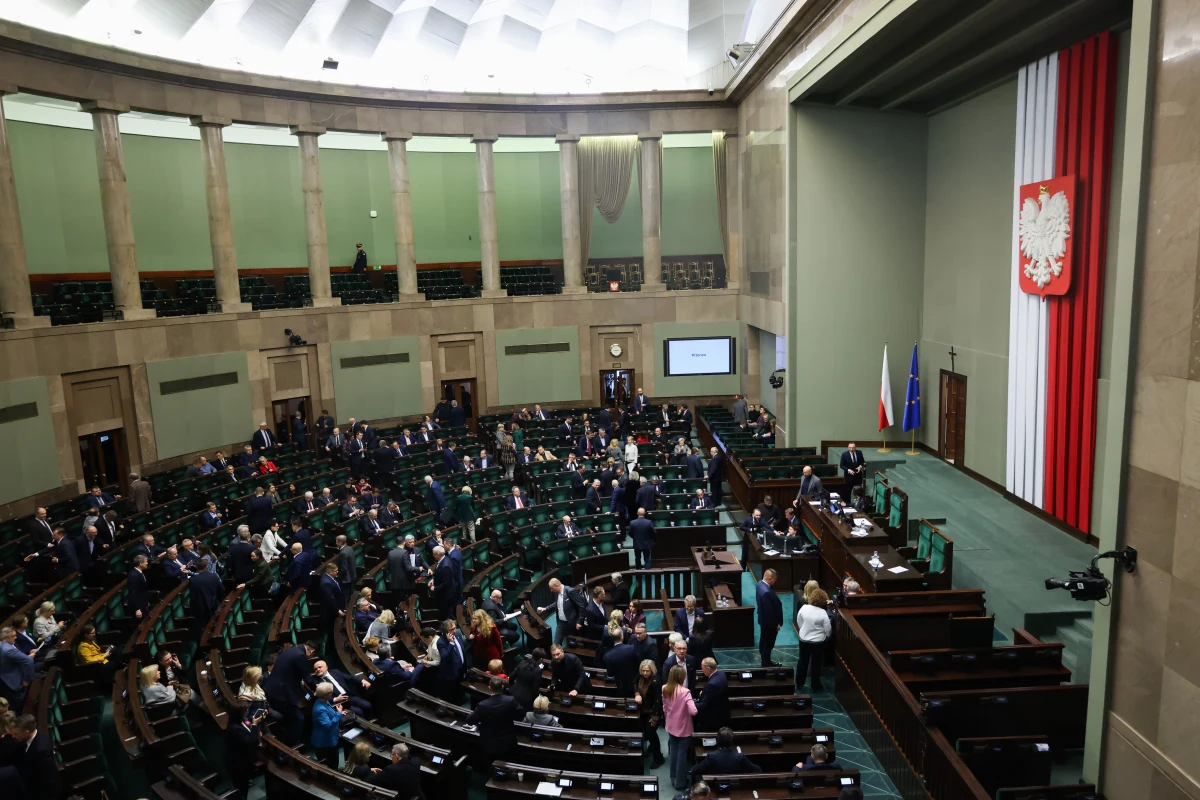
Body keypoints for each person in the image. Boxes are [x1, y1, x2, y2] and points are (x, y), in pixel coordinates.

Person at [268, 640, 316, 745]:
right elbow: (306, 677)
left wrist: (311, 693)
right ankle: (294, 745)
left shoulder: (292, 651)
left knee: (309, 697)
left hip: (291, 691)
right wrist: (315, 688)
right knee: (299, 718)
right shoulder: (300, 656)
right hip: (283, 694)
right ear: (311, 652)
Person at [2, 715, 60, 799]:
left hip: (38, 789)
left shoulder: (41, 750)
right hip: (28, 774)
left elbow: (46, 781)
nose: (13, 736)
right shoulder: (30, 737)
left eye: (16, 734)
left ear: (26, 732)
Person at [466, 676, 523, 761]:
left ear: (489, 688)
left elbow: (469, 720)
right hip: (507, 743)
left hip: (489, 743)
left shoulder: (482, 705)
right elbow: (521, 714)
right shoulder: (511, 700)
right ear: (502, 687)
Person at [663, 664, 698, 790]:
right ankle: (680, 782)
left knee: (673, 752)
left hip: (671, 725)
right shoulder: (685, 692)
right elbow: (693, 711)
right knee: (682, 754)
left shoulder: (665, 688)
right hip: (684, 727)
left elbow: (665, 707)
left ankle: (673, 778)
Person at [306, 660, 373, 717]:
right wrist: (335, 699)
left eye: (320, 667)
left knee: (367, 706)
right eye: (315, 669)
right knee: (359, 712)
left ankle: (371, 723)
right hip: (338, 703)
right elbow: (320, 699)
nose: (318, 670)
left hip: (349, 696)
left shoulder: (335, 672)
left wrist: (362, 680)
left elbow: (349, 677)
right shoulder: (316, 683)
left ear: (326, 667)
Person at [690, 726, 760, 781]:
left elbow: (695, 770)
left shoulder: (711, 757)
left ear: (718, 740)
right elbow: (757, 770)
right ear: (731, 741)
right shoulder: (739, 757)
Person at [796, 587, 832, 692]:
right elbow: (828, 629)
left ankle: (799, 682)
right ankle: (815, 684)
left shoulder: (804, 608)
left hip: (804, 640)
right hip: (818, 642)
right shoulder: (822, 613)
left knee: (802, 661)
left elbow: (799, 621)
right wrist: (826, 637)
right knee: (816, 663)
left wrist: (803, 631)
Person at [226, 708, 266, 798]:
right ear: (239, 714)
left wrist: (254, 728)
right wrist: (255, 725)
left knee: (243, 786)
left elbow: (248, 732)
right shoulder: (234, 728)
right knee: (241, 790)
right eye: (245, 711)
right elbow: (250, 741)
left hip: (243, 758)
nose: (247, 712)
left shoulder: (241, 721)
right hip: (237, 764)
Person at [538, 578, 586, 645]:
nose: (551, 591)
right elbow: (557, 603)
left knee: (572, 644)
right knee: (556, 644)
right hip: (561, 623)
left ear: (557, 585)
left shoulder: (570, 591)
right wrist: (546, 608)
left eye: (552, 588)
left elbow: (582, 605)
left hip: (571, 623)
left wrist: (580, 622)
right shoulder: (557, 592)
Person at [0, 627, 34, 711]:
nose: (16, 638)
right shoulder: (7, 648)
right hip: (6, 682)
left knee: (19, 705)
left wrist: (27, 680)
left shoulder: (7, 649)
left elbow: (28, 661)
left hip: (12, 682)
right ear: (4, 638)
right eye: (13, 636)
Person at [310, 683, 343, 768]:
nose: (332, 693)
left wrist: (338, 713)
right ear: (325, 695)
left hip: (330, 738)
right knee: (332, 766)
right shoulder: (320, 709)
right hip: (325, 742)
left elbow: (329, 713)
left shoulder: (324, 701)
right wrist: (338, 714)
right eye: (331, 692)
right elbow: (328, 725)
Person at [694, 657, 730, 732]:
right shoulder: (721, 673)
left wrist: (691, 704)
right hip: (723, 711)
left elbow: (704, 705)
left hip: (713, 717)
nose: (702, 670)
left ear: (708, 668)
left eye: (702, 668)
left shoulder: (711, 684)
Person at [435, 618, 467, 703]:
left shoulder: (458, 634)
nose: (454, 631)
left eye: (455, 628)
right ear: (445, 631)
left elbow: (462, 650)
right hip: (451, 672)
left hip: (461, 669)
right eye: (451, 629)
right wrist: (451, 643)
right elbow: (445, 657)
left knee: (460, 690)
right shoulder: (441, 642)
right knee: (452, 696)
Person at [756, 569, 783, 667]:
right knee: (768, 642)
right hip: (769, 623)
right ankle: (766, 662)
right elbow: (770, 611)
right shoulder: (767, 592)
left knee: (763, 639)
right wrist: (777, 624)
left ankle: (764, 657)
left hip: (763, 620)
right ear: (770, 578)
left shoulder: (759, 584)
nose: (775, 581)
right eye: (774, 579)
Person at [603, 628, 639, 695]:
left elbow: (610, 674)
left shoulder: (608, 656)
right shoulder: (632, 648)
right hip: (634, 681)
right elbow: (638, 662)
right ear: (622, 637)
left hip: (619, 684)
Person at [189, 559, 224, 627]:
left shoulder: (193, 580)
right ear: (207, 567)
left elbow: (193, 596)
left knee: (203, 626)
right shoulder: (214, 576)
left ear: (196, 567)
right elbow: (221, 589)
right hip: (214, 604)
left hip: (200, 607)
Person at [430, 545, 459, 620]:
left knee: (447, 614)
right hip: (445, 594)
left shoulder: (445, 565)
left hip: (446, 595)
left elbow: (446, 583)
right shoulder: (444, 559)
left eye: (434, 554)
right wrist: (433, 579)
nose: (433, 555)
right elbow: (439, 574)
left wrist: (435, 588)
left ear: (438, 554)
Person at [126, 555, 150, 619]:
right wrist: (137, 609)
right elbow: (133, 593)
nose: (147, 563)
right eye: (146, 562)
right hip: (139, 606)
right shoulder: (134, 575)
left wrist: (146, 601)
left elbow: (142, 590)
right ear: (141, 564)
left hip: (143, 603)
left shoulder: (139, 572)